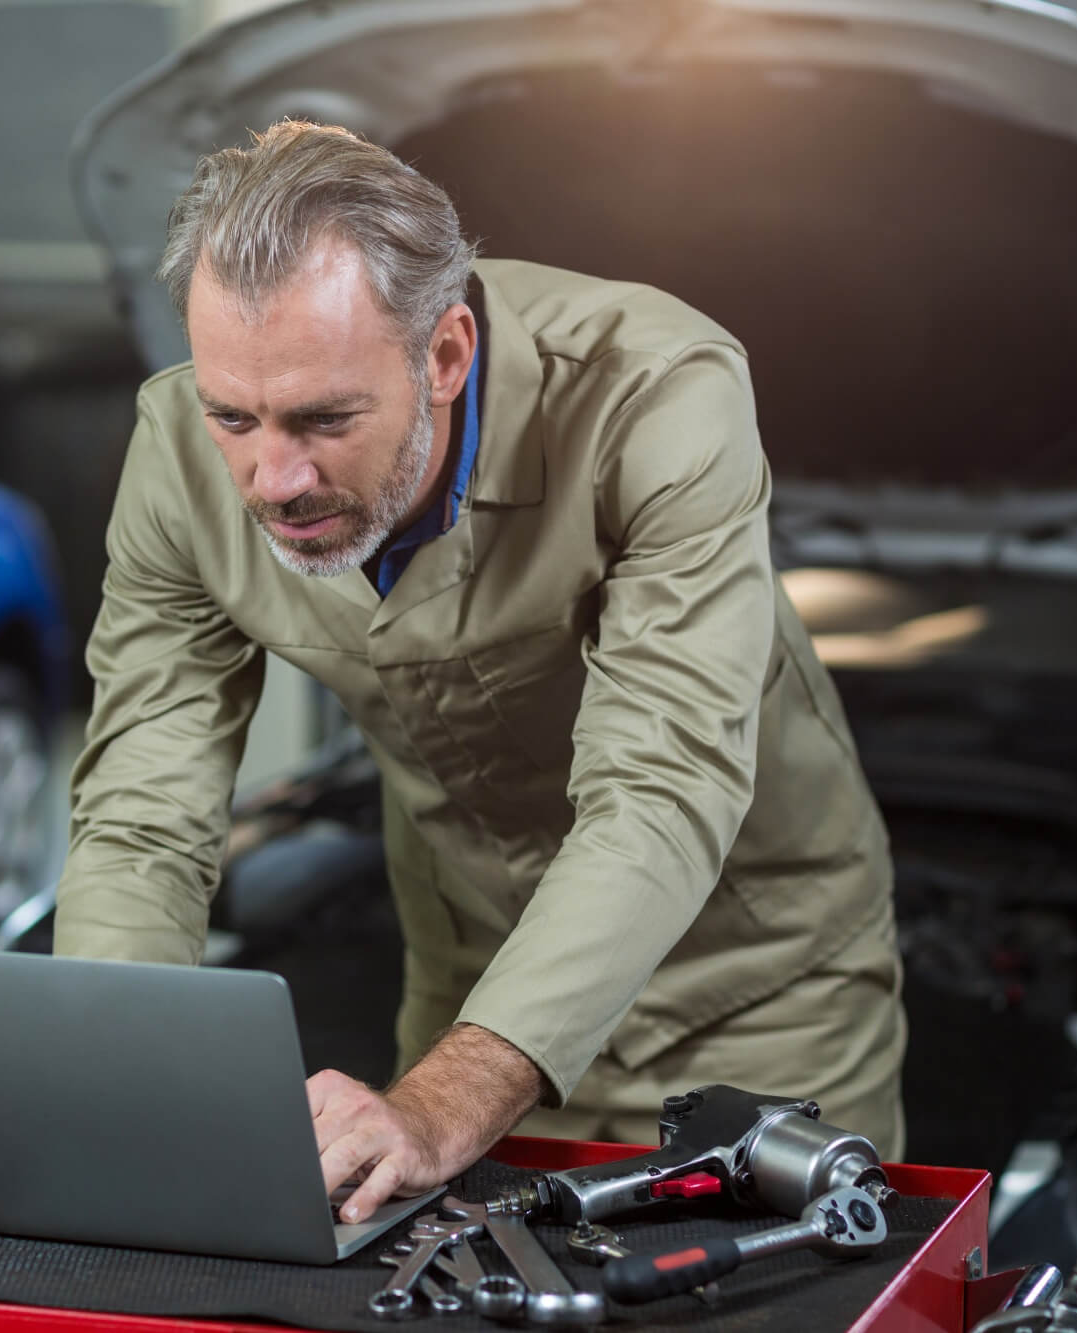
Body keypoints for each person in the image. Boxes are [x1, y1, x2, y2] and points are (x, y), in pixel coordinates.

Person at [53, 121, 905, 1224]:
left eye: (323, 418)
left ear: (445, 353)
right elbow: (141, 818)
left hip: (753, 992)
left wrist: (439, 1104)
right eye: (233, 416)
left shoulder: (653, 392)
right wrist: (103, 1094)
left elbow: (660, 789)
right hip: (463, 982)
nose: (271, 476)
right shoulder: (176, 451)